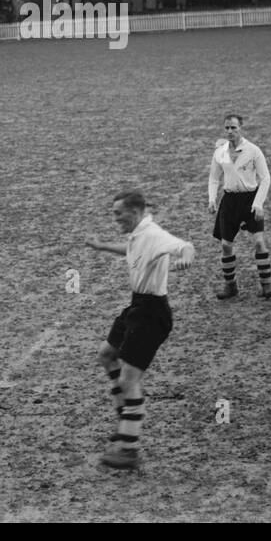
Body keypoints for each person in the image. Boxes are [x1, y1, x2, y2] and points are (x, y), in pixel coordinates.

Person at [81, 189, 194, 470]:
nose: (115, 218)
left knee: (129, 380)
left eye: (118, 213)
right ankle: (125, 421)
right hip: (137, 307)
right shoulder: (138, 233)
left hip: (152, 315)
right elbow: (132, 251)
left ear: (134, 211)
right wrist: (102, 246)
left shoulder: (154, 234)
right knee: (106, 355)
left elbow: (184, 246)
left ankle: (129, 450)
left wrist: (187, 258)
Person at [207, 114, 271, 299]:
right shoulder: (220, 152)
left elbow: (265, 178)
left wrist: (258, 203)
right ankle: (231, 286)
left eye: (233, 128)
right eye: (227, 128)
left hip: (250, 200)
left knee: (259, 242)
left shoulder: (253, 151)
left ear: (241, 128)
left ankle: (266, 284)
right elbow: (214, 178)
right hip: (229, 202)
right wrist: (212, 199)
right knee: (226, 245)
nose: (230, 131)